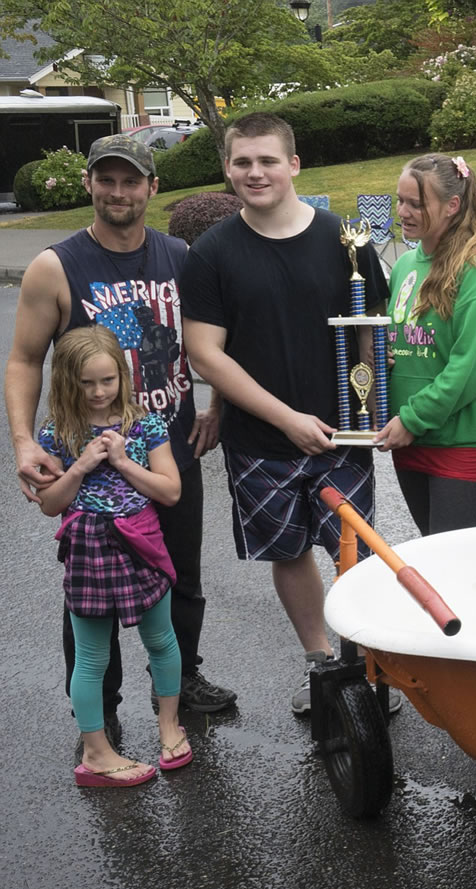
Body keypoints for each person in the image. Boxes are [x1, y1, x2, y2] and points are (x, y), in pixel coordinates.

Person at [4, 133, 235, 751]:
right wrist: (25, 442)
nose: (118, 192)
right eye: (105, 180)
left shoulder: (181, 256)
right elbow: (26, 359)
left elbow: (212, 340)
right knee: (90, 592)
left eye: (131, 181)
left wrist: (215, 403)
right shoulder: (58, 265)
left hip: (166, 443)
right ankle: (99, 714)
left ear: (152, 188)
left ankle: (183, 680)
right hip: (91, 459)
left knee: (179, 571)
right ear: (89, 186)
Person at [179, 113, 394, 716]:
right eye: (242, 162)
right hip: (259, 443)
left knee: (356, 551)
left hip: (340, 435)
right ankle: (322, 665)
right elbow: (204, 352)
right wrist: (285, 419)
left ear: (293, 165)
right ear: (227, 169)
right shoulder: (213, 253)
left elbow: (369, 337)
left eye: (268, 160)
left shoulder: (345, 241)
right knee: (287, 551)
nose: (255, 173)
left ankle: (366, 664)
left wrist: (377, 410)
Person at [38, 327, 191, 786]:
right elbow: (49, 503)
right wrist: (82, 465)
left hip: (140, 540)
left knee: (161, 639)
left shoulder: (144, 424)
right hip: (87, 546)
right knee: (91, 656)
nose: (100, 392)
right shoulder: (57, 434)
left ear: (122, 377)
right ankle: (96, 751)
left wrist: (124, 462)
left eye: (108, 380)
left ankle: (169, 725)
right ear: (67, 383)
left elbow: (171, 490)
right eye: (87, 384)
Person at [372, 153, 476, 535]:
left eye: (416, 204)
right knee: (432, 556)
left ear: (452, 205)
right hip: (411, 439)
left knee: (453, 568)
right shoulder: (405, 265)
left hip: (464, 443)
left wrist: (412, 418)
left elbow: (472, 367)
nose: (402, 211)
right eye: (399, 201)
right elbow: (402, 345)